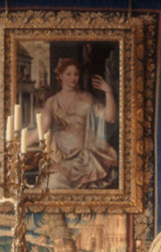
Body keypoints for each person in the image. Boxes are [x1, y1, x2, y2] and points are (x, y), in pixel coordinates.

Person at [39, 58, 119, 189]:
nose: (73, 78)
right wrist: (19, 143)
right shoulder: (52, 102)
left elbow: (110, 118)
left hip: (84, 160)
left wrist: (108, 92)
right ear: (60, 76)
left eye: (76, 74)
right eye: (68, 74)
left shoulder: (86, 99)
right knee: (51, 183)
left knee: (55, 183)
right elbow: (41, 130)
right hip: (61, 157)